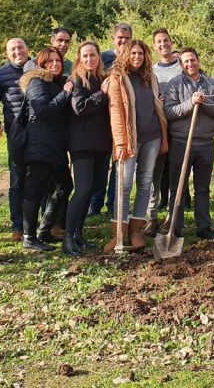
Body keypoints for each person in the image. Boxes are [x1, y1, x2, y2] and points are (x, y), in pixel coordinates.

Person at [106, 39, 168, 251]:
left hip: (152, 137)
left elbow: (156, 103)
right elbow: (115, 112)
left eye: (140, 54)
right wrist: (121, 143)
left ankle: (136, 231)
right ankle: (119, 234)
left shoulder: (149, 77)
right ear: (126, 54)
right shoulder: (118, 79)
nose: (137, 57)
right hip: (129, 141)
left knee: (145, 183)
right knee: (123, 185)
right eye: (133, 53)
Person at [164, 47, 214, 240]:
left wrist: (205, 103)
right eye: (185, 62)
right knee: (178, 186)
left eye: (192, 60)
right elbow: (169, 112)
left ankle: (203, 227)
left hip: (205, 143)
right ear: (181, 65)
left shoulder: (212, 84)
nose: (190, 64)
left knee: (203, 187)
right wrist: (190, 103)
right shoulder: (174, 84)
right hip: (182, 143)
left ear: (198, 60)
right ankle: (175, 225)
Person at [18, 48, 74, 251]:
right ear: (41, 64)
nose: (55, 64)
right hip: (38, 145)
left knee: (64, 185)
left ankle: (44, 230)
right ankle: (29, 237)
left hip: (55, 146)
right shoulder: (36, 82)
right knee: (34, 190)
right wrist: (65, 94)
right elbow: (43, 110)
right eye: (49, 61)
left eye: (57, 60)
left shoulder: (56, 83)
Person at [66, 41, 113, 255]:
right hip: (82, 144)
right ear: (79, 58)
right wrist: (101, 95)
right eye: (85, 56)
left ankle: (78, 234)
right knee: (82, 189)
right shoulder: (76, 80)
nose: (89, 59)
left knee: (90, 191)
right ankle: (68, 238)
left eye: (92, 55)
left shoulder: (102, 78)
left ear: (99, 57)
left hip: (101, 144)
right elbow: (79, 108)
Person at [0, 38, 32, 241]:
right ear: (7, 53)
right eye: (12, 49)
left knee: (40, 178)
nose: (17, 51)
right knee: (17, 180)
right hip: (15, 133)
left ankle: (37, 225)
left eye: (20, 47)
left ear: (27, 49)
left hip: (40, 131)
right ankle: (17, 226)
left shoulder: (37, 68)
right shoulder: (1, 74)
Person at [91, 23, 133, 216]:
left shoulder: (134, 58)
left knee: (119, 160)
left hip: (123, 117)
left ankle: (114, 203)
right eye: (119, 37)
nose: (123, 41)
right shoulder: (103, 58)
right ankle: (95, 202)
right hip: (102, 116)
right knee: (101, 162)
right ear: (113, 38)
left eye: (126, 38)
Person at [144, 28, 181, 235]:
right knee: (154, 175)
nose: (163, 44)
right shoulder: (151, 70)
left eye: (165, 40)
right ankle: (151, 217)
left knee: (176, 173)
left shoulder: (182, 66)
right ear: (154, 46)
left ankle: (171, 216)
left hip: (178, 127)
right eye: (158, 42)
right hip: (157, 127)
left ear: (171, 42)